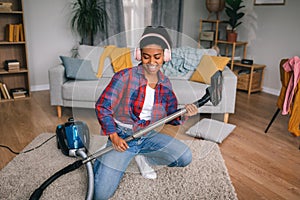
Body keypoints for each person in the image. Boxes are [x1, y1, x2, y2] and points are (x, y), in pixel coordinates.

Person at [94, 26, 198, 200]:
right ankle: (107, 153)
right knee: (101, 194)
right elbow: (103, 106)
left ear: (165, 57)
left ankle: (144, 157)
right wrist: (113, 137)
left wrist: (185, 113)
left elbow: (171, 115)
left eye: (157, 57)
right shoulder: (124, 76)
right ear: (138, 55)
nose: (151, 61)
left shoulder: (165, 83)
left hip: (148, 134)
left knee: (185, 157)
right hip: (123, 137)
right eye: (146, 56)